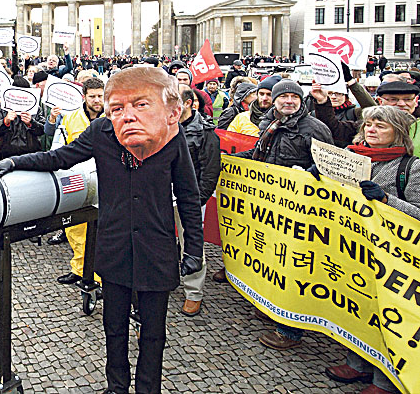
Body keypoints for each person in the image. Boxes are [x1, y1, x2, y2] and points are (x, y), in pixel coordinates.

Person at [0, 67, 204, 394]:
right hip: (114, 247)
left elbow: (187, 194)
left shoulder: (170, 132)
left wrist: (194, 249)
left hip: (156, 248)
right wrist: (15, 163)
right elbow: (60, 157)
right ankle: (116, 387)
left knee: (154, 333)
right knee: (114, 328)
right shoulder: (101, 131)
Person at [323, 106, 419, 394]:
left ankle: (385, 380)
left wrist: (388, 200)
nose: (372, 130)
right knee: (358, 305)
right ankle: (357, 362)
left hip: (392, 256)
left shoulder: (411, 167)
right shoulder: (351, 156)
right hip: (354, 248)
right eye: (368, 125)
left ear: (397, 132)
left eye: (381, 126)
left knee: (388, 314)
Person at [235, 79, 333, 350]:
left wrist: (307, 176)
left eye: (294, 97)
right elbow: (260, 155)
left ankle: (290, 330)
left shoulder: (315, 129)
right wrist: (228, 160)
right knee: (272, 259)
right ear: (275, 101)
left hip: (301, 211)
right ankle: (271, 306)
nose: (289, 101)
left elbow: (328, 167)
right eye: (284, 97)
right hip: (272, 206)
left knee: (294, 268)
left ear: (302, 101)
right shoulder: (270, 124)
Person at [43, 77, 105, 280]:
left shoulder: (113, 116)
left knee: (103, 231)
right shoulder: (70, 118)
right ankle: (79, 269)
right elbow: (58, 148)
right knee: (75, 228)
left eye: (100, 96)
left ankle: (100, 276)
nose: (97, 100)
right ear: (84, 96)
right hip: (78, 179)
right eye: (92, 96)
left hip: (106, 181)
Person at [176, 87, 221, 316]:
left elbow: (210, 171)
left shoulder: (205, 132)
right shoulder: (162, 125)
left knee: (192, 244)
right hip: (163, 194)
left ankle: (193, 293)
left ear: (188, 103)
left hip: (190, 197)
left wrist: (197, 201)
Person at [0, 76, 46, 160]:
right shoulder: (3, 107)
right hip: (7, 153)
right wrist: (5, 121)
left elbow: (43, 130)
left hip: (31, 154)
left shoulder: (35, 108)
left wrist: (31, 123)